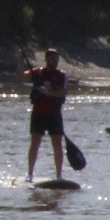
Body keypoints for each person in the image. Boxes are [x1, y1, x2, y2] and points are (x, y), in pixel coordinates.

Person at [18, 46, 68, 181]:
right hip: (39, 113)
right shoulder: (38, 73)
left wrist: (49, 92)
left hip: (54, 114)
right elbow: (22, 77)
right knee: (35, 143)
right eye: (52, 58)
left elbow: (63, 92)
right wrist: (21, 59)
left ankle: (59, 175)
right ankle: (29, 174)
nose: (55, 61)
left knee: (57, 144)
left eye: (56, 58)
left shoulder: (62, 75)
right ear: (46, 59)